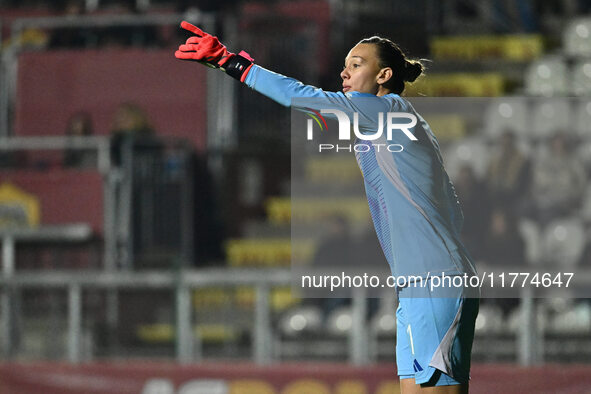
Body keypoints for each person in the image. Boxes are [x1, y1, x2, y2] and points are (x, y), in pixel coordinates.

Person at [175, 22, 479, 393]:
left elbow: (299, 96)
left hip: (435, 281)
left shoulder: (385, 110)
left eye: (356, 64)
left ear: (383, 75)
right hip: (420, 282)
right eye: (345, 64)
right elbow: (454, 212)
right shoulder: (395, 122)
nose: (344, 72)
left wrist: (231, 62)